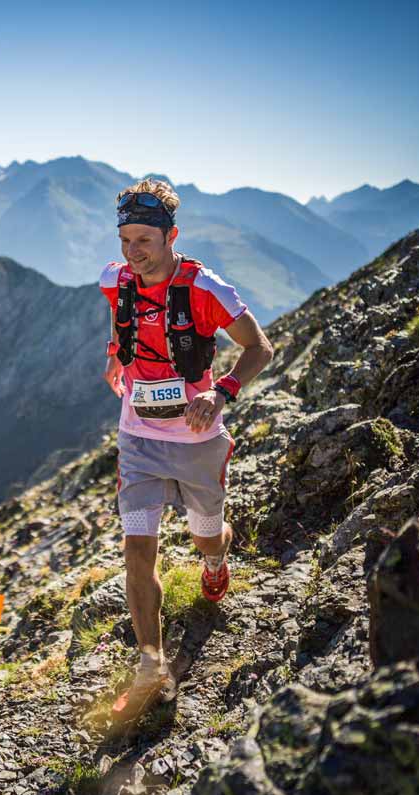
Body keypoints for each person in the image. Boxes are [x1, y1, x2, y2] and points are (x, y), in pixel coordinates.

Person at [98, 178, 273, 723]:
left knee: (205, 537)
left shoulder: (205, 288)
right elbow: (122, 318)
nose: (133, 252)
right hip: (139, 439)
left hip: (198, 441)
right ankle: (151, 663)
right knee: (136, 548)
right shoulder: (116, 280)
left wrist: (221, 393)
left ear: (171, 236)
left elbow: (259, 347)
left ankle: (216, 558)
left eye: (144, 240)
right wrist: (116, 354)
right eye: (126, 240)